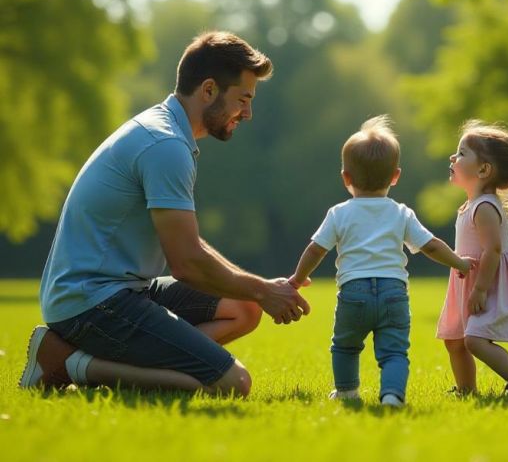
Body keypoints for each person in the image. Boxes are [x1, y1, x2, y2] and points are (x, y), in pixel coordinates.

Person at [19, 31, 310, 396]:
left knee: (245, 307)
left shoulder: (166, 132)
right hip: (91, 303)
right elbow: (186, 263)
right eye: (243, 99)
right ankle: (70, 364)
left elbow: (187, 244)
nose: (247, 113)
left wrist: (261, 291)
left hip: (123, 290)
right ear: (208, 90)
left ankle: (145, 363)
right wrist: (265, 290)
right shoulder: (166, 145)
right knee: (233, 384)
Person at [287, 115, 474, 407]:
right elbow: (431, 246)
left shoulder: (339, 213)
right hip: (393, 293)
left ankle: (347, 392)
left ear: (346, 178)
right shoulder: (400, 213)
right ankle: (391, 395)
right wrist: (460, 263)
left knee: (345, 346)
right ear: (395, 176)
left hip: (353, 292)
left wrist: (298, 278)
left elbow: (316, 249)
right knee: (395, 352)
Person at [437, 120, 508, 399]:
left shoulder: (485, 207)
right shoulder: (471, 204)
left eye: (461, 153)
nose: (453, 157)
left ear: (484, 170)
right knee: (455, 340)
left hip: (488, 281)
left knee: (474, 339)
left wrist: (481, 288)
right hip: (469, 279)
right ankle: (466, 389)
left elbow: (493, 250)